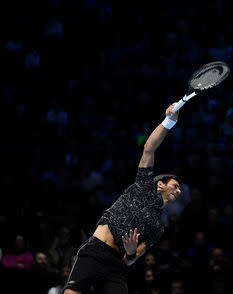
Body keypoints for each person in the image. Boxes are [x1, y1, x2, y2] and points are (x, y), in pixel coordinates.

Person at [63, 104, 183, 294]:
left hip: (115, 266)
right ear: (160, 184)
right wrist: (169, 121)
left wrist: (130, 251)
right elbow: (149, 149)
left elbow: (132, 259)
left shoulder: (158, 227)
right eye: (175, 186)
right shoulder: (143, 186)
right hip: (95, 251)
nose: (179, 191)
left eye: (180, 190)